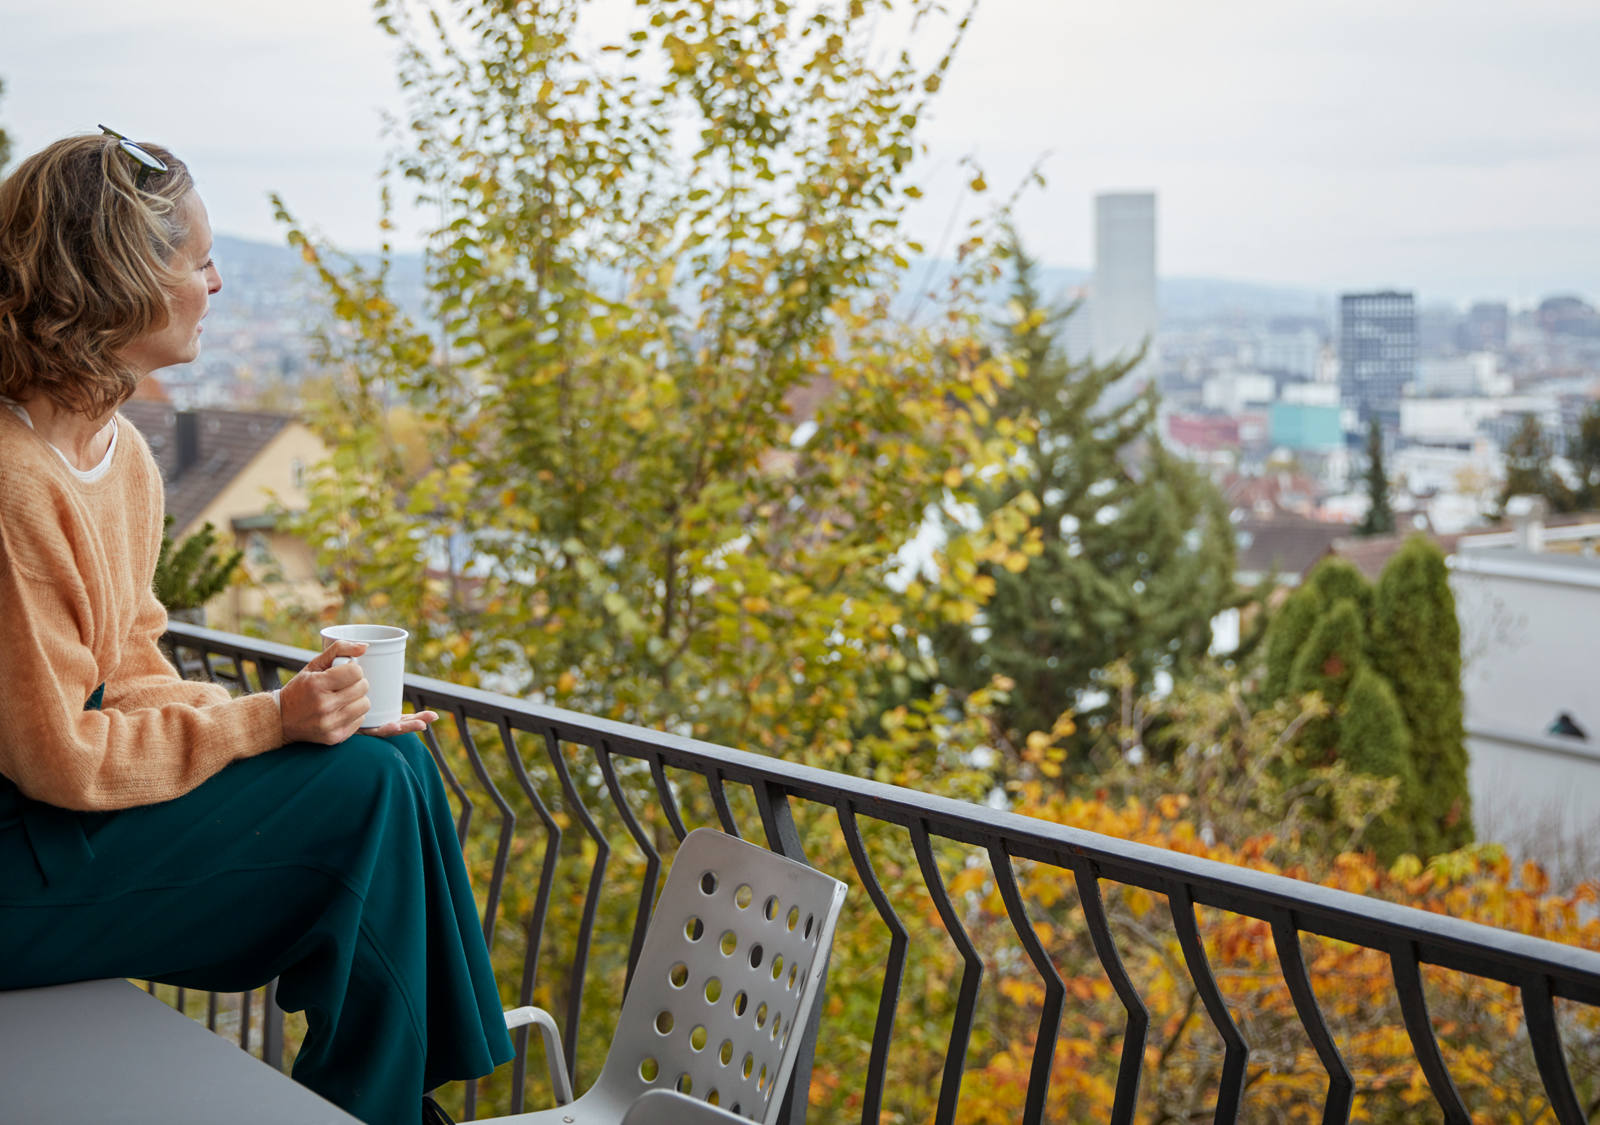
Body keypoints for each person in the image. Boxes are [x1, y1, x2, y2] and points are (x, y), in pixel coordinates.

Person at [0, 129, 512, 1124]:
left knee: (390, 760)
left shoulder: (120, 455)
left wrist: (300, 715)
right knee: (364, 784)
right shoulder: (14, 483)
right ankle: (384, 1105)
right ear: (121, 277)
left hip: (58, 836)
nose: (219, 283)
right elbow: (62, 756)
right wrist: (271, 723)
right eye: (198, 261)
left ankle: (383, 1102)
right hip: (22, 860)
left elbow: (135, 665)